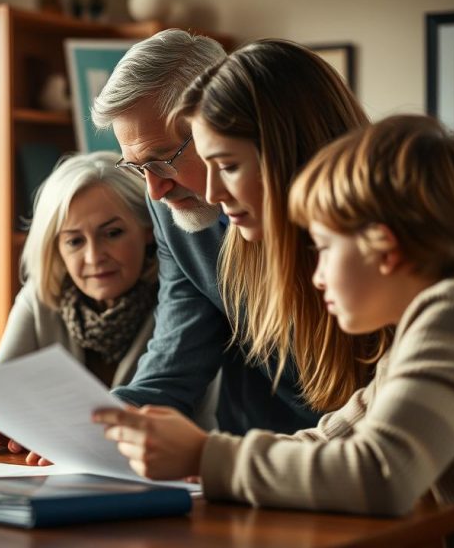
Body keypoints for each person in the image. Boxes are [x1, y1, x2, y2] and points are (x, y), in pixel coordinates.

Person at [98, 114, 454, 547]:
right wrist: (193, 459)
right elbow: (331, 438)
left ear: (384, 248)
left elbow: (380, 474)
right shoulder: (425, 331)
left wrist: (205, 456)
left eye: (322, 248)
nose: (316, 277)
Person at [96, 30, 322, 434]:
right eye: (136, 167)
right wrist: (63, 421)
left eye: (164, 159)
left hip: (354, 454)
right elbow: (173, 365)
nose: (155, 189)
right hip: (245, 449)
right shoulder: (170, 209)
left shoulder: (339, 207)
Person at [0, 151, 176, 457]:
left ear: (148, 233)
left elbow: (186, 418)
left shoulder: (180, 303)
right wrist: (3, 421)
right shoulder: (40, 298)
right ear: (55, 247)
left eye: (113, 233)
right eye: (75, 241)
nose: (94, 257)